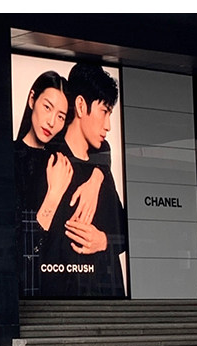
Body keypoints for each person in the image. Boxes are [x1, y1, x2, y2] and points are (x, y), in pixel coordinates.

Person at [37, 62, 127, 297]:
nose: (108, 126)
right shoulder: (52, 162)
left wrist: (103, 241)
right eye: (104, 112)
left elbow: (125, 234)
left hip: (111, 299)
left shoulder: (100, 168)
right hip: (64, 300)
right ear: (79, 105)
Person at [14, 70, 104, 296]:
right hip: (26, 291)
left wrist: (97, 176)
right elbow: (19, 248)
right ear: (32, 99)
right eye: (47, 107)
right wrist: (53, 196)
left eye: (61, 116)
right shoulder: (12, 157)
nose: (51, 122)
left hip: (64, 289)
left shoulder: (62, 162)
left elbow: (101, 146)